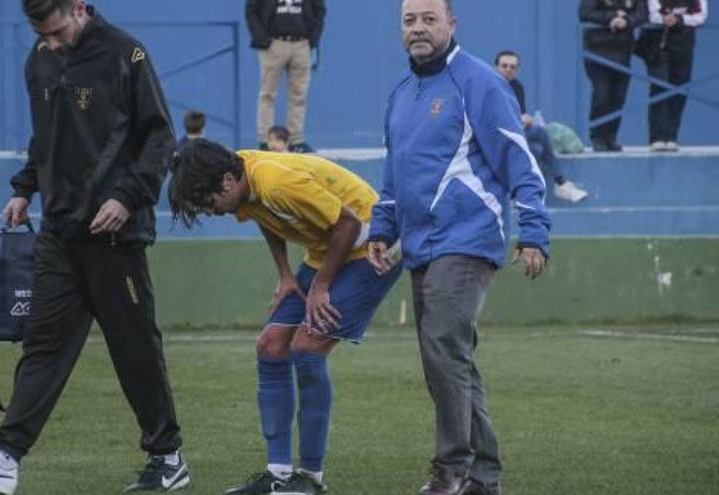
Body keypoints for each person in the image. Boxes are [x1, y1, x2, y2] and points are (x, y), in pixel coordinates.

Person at [0, 1, 188, 493]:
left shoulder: (127, 54)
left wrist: (127, 198)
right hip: (59, 233)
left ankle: (168, 458)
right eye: (42, 35)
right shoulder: (40, 59)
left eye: (57, 31)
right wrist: (24, 187)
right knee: (43, 346)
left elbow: (160, 137)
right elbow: (45, 135)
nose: (52, 43)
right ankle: (3, 459)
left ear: (78, 7)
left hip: (116, 236)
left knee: (134, 350)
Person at [368, 1, 551, 494]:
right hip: (420, 243)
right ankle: (484, 477)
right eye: (410, 20)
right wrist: (382, 227)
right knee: (448, 358)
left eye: (430, 18)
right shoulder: (401, 92)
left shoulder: (480, 81)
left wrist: (533, 231)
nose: (419, 28)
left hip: (469, 236)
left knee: (443, 347)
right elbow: (394, 173)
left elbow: (520, 159)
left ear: (452, 24)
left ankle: (450, 468)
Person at [169, 139, 403, 495]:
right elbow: (267, 218)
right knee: (271, 346)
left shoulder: (277, 182)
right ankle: (278, 473)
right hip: (326, 249)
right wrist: (285, 275)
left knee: (307, 349)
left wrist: (321, 286)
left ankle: (310, 478)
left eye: (207, 201)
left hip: (370, 246)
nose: (209, 210)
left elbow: (349, 224)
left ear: (228, 181)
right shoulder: (242, 177)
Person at [494, 50, 588, 203]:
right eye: (504, 66)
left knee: (537, 149)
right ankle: (561, 183)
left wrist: (524, 119)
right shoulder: (489, 86)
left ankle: (526, 193)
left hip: (516, 135)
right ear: (495, 67)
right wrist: (519, 119)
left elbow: (520, 116)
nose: (508, 69)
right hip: (494, 137)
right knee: (539, 132)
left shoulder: (517, 87)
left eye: (513, 67)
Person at [246, 0, 326, 153]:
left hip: (301, 44)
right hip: (273, 44)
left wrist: (313, 39)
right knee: (267, 94)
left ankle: (296, 141)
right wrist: (262, 39)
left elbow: (320, 10)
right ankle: (265, 141)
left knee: (299, 95)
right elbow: (251, 10)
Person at [638, 0, 709, 151]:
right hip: (657, 45)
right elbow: (653, 14)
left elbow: (701, 16)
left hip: (684, 45)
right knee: (659, 87)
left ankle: (671, 137)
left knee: (680, 90)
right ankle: (656, 138)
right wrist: (667, 18)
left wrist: (679, 19)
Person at [579, 0, 648, 152]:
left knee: (618, 97)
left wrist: (626, 20)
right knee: (601, 95)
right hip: (597, 51)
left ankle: (611, 137)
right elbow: (585, 14)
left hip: (623, 52)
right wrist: (612, 16)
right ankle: (597, 136)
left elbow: (643, 14)